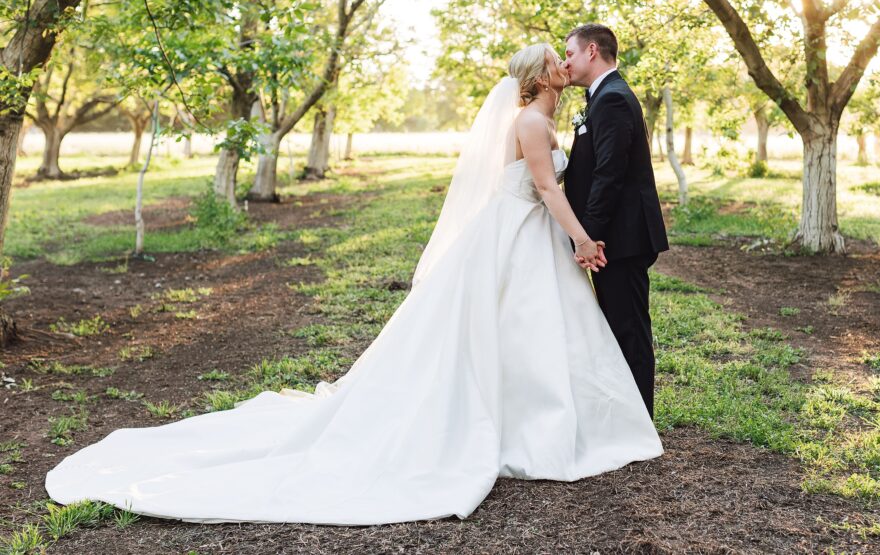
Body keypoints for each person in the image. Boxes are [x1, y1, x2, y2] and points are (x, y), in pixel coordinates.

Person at [45, 43, 662, 526]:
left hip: (531, 233)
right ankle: (522, 424)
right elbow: (548, 188)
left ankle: (548, 415)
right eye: (556, 61)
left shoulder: (549, 116)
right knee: (510, 326)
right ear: (538, 77)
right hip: (519, 232)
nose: (564, 63)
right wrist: (582, 237)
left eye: (566, 57)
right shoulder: (530, 122)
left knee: (534, 329)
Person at [562, 24, 670, 419]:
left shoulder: (613, 99)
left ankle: (640, 422)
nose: (565, 62)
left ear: (592, 51)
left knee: (629, 332)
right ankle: (627, 418)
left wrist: (587, 235)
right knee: (617, 327)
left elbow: (610, 173)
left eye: (569, 53)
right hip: (616, 236)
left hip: (621, 239)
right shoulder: (602, 96)